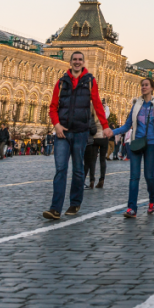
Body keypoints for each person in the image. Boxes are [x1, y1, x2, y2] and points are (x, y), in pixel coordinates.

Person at [43, 51, 112, 220]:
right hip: (63, 133)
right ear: (70, 62)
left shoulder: (90, 81)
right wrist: (57, 125)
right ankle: (55, 209)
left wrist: (105, 126)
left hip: (81, 132)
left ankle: (75, 203)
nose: (77, 62)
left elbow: (97, 104)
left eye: (80, 60)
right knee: (61, 169)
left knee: (78, 170)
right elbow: (52, 107)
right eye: (74, 59)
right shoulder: (61, 83)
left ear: (83, 62)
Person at [111, 77, 154, 218]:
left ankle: (152, 200)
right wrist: (111, 132)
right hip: (136, 143)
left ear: (152, 88)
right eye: (142, 85)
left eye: (146, 85)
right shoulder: (136, 105)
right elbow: (127, 125)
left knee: (149, 175)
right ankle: (132, 208)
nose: (143, 87)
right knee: (134, 177)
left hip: (152, 144)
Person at [84, 99, 110, 189]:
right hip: (104, 138)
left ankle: (92, 181)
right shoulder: (104, 115)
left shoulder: (91, 116)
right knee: (102, 160)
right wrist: (105, 106)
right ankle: (101, 180)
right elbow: (108, 112)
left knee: (93, 161)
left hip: (95, 139)